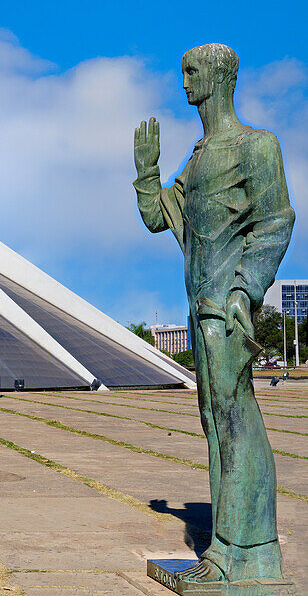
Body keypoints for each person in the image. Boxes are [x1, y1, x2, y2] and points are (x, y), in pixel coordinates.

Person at [133, 43, 294, 583]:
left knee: (235, 420)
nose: (183, 83)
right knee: (214, 423)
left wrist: (245, 290)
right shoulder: (200, 157)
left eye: (191, 72)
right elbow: (159, 218)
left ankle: (244, 551)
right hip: (201, 309)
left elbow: (276, 222)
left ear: (220, 78)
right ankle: (230, 550)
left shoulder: (255, 146)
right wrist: (146, 173)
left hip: (226, 310)